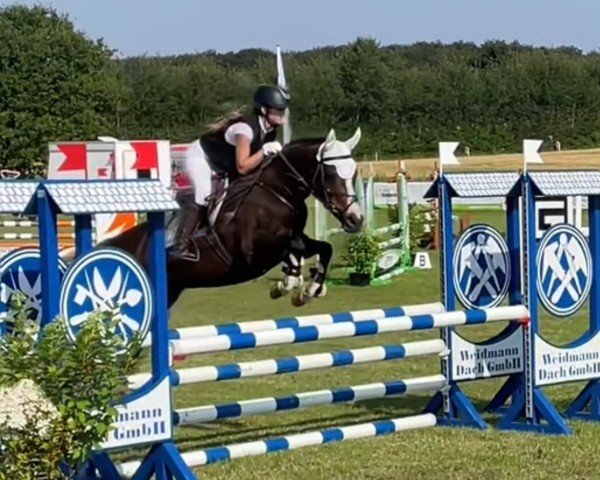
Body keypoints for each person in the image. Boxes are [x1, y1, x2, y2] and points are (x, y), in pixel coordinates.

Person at [173, 85, 289, 256]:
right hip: (202, 157)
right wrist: (263, 151)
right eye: (277, 110)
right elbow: (242, 167)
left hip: (225, 164)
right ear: (264, 110)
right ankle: (181, 244)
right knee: (204, 195)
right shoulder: (245, 129)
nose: (281, 114)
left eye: (282, 110)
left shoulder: (269, 131)